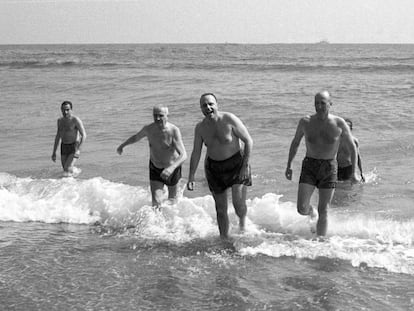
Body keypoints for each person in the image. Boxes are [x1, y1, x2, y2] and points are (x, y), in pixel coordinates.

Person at [285, 91, 359, 236]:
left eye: (323, 103)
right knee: (301, 208)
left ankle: (320, 242)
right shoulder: (305, 122)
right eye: (316, 103)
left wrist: (353, 172)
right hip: (309, 166)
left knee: (323, 209)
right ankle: (311, 213)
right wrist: (289, 165)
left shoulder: (339, 123)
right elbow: (295, 143)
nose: (319, 106)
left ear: (330, 104)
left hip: (329, 167)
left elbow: (352, 148)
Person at [187, 93, 253, 239]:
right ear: (201, 109)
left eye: (210, 104)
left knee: (238, 205)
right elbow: (196, 152)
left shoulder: (229, 119)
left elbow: (248, 141)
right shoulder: (200, 128)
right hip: (214, 169)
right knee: (220, 209)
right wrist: (191, 176)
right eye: (204, 105)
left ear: (217, 104)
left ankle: (242, 224)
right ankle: (224, 238)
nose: (208, 107)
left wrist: (245, 166)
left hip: (237, 164)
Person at [117, 106, 187, 208]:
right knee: (156, 201)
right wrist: (122, 145)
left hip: (172, 169)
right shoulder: (149, 129)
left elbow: (183, 155)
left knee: (172, 201)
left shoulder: (173, 131)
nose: (157, 118)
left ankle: (172, 222)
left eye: (161, 116)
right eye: (155, 115)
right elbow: (136, 137)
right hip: (155, 167)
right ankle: (156, 223)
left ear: (167, 116)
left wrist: (171, 169)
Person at [52, 101, 87, 176]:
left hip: (74, 146)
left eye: (67, 110)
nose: (65, 112)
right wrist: (54, 152)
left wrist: (79, 149)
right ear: (61, 109)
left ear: (71, 110)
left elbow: (84, 135)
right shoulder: (60, 121)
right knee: (65, 170)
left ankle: (73, 182)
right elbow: (58, 136)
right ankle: (74, 181)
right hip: (64, 146)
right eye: (63, 110)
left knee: (67, 169)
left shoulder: (75, 120)